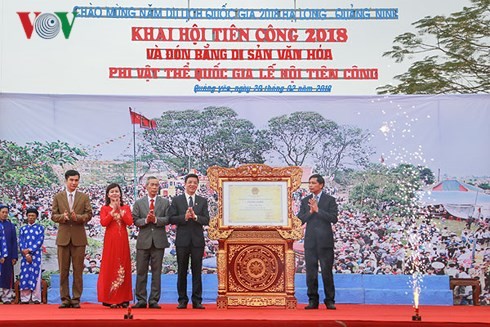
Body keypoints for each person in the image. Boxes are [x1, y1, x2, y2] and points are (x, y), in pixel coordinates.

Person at [51, 170, 93, 309]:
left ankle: (76, 299)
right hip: (63, 238)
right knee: (63, 270)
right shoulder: (58, 196)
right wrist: (62, 217)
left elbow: (89, 214)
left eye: (76, 180)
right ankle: (65, 299)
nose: (74, 183)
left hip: (79, 238)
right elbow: (53, 215)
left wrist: (78, 218)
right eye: (71, 180)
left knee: (78, 270)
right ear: (66, 181)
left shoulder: (84, 197)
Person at [169, 173, 210, 309]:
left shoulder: (202, 201)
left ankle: (197, 300)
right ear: (185, 184)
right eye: (190, 182)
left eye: (195, 182)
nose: (192, 185)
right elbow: (171, 218)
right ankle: (182, 300)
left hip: (197, 241)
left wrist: (196, 217)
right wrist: (184, 217)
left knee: (197, 271)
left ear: (197, 185)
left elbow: (206, 219)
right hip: (182, 241)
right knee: (182, 271)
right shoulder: (177, 200)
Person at [298, 174, 339, 310]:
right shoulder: (305, 201)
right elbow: (300, 219)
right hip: (310, 242)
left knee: (326, 272)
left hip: (325, 242)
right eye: (309, 183)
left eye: (313, 183)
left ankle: (330, 300)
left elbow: (333, 218)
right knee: (311, 272)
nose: (310, 185)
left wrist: (318, 211)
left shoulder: (329, 200)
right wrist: (310, 212)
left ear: (321, 185)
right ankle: (312, 300)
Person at [132, 176, 170, 309]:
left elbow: (168, 219)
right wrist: (146, 221)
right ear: (146, 187)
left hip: (159, 242)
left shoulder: (165, 202)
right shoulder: (139, 203)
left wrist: (155, 220)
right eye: (152, 185)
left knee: (156, 272)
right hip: (143, 242)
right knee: (141, 271)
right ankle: (141, 299)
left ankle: (154, 300)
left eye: (156, 185)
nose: (154, 187)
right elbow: (135, 220)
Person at [97, 183, 133, 308]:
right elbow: (103, 222)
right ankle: (108, 297)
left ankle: (123, 298)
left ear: (120, 193)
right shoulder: (104, 208)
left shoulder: (126, 207)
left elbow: (129, 222)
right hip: (110, 241)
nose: (114, 193)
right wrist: (113, 211)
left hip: (122, 240)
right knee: (109, 266)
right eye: (112, 191)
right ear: (108, 194)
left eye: (116, 191)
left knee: (123, 266)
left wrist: (121, 211)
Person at [18, 208, 45, 304]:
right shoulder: (23, 229)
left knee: (36, 275)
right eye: (29, 215)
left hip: (36, 255)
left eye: (33, 216)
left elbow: (39, 241)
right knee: (25, 275)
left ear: (36, 217)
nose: (31, 217)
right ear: (26, 216)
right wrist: (26, 253)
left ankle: (36, 298)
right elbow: (21, 242)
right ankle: (24, 298)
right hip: (25, 256)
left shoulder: (40, 228)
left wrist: (30, 250)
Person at [0, 204, 18, 304]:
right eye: (2, 212)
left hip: (8, 255)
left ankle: (6, 296)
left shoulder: (10, 226)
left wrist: (14, 256)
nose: (4, 214)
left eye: (6, 212)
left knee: (7, 276)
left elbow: (14, 242)